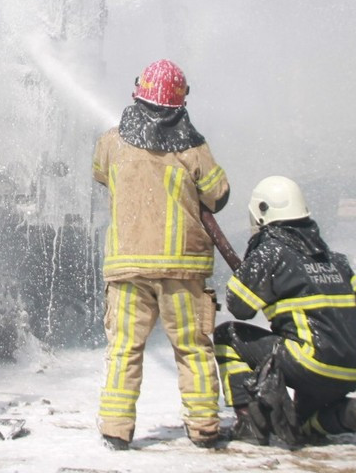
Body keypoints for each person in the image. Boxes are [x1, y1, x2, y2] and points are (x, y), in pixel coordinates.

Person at [92, 59, 231, 450]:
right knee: (192, 348)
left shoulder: (111, 142)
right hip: (183, 271)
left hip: (127, 267)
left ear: (139, 93)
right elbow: (218, 196)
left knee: (123, 349)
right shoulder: (194, 146)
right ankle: (204, 427)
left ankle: (116, 430)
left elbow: (100, 175)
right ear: (179, 101)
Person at [215, 176, 356, 448]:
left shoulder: (272, 251)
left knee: (226, 334)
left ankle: (249, 423)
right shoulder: (334, 258)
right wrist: (350, 343)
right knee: (302, 423)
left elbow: (238, 307)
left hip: (308, 361)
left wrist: (251, 274)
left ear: (261, 212)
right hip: (348, 367)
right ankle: (350, 413)